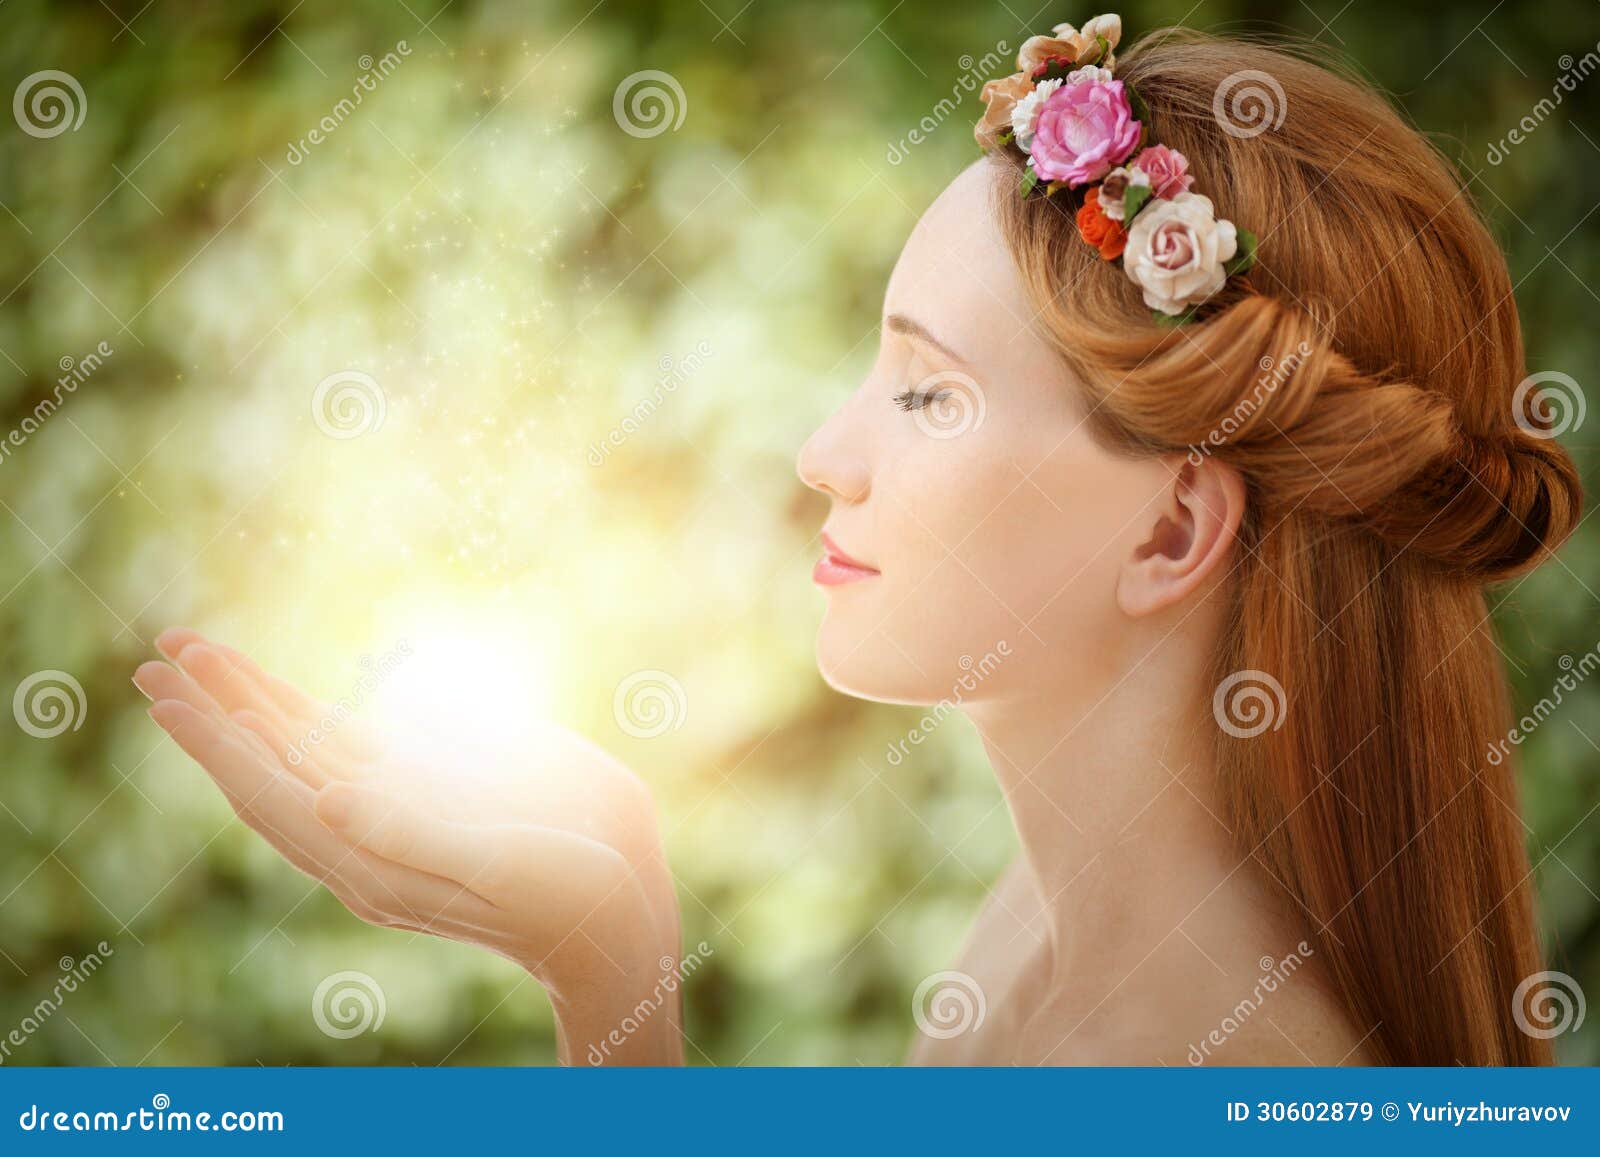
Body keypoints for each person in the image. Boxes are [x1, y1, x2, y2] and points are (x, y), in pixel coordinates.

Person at [134, 17, 1582, 1065]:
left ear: (1175, 529)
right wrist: (620, 903)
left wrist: (608, 973)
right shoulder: (1042, 923)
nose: (826, 455)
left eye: (929, 391)